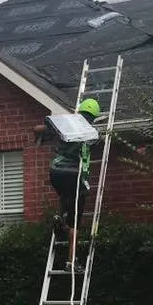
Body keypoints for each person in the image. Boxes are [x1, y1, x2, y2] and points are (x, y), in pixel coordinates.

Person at [46, 98, 101, 270]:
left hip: (55, 171)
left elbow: (44, 127)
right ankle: (71, 262)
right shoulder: (91, 131)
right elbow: (98, 141)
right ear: (94, 116)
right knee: (75, 221)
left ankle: (58, 217)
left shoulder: (66, 125)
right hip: (74, 175)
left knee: (64, 193)